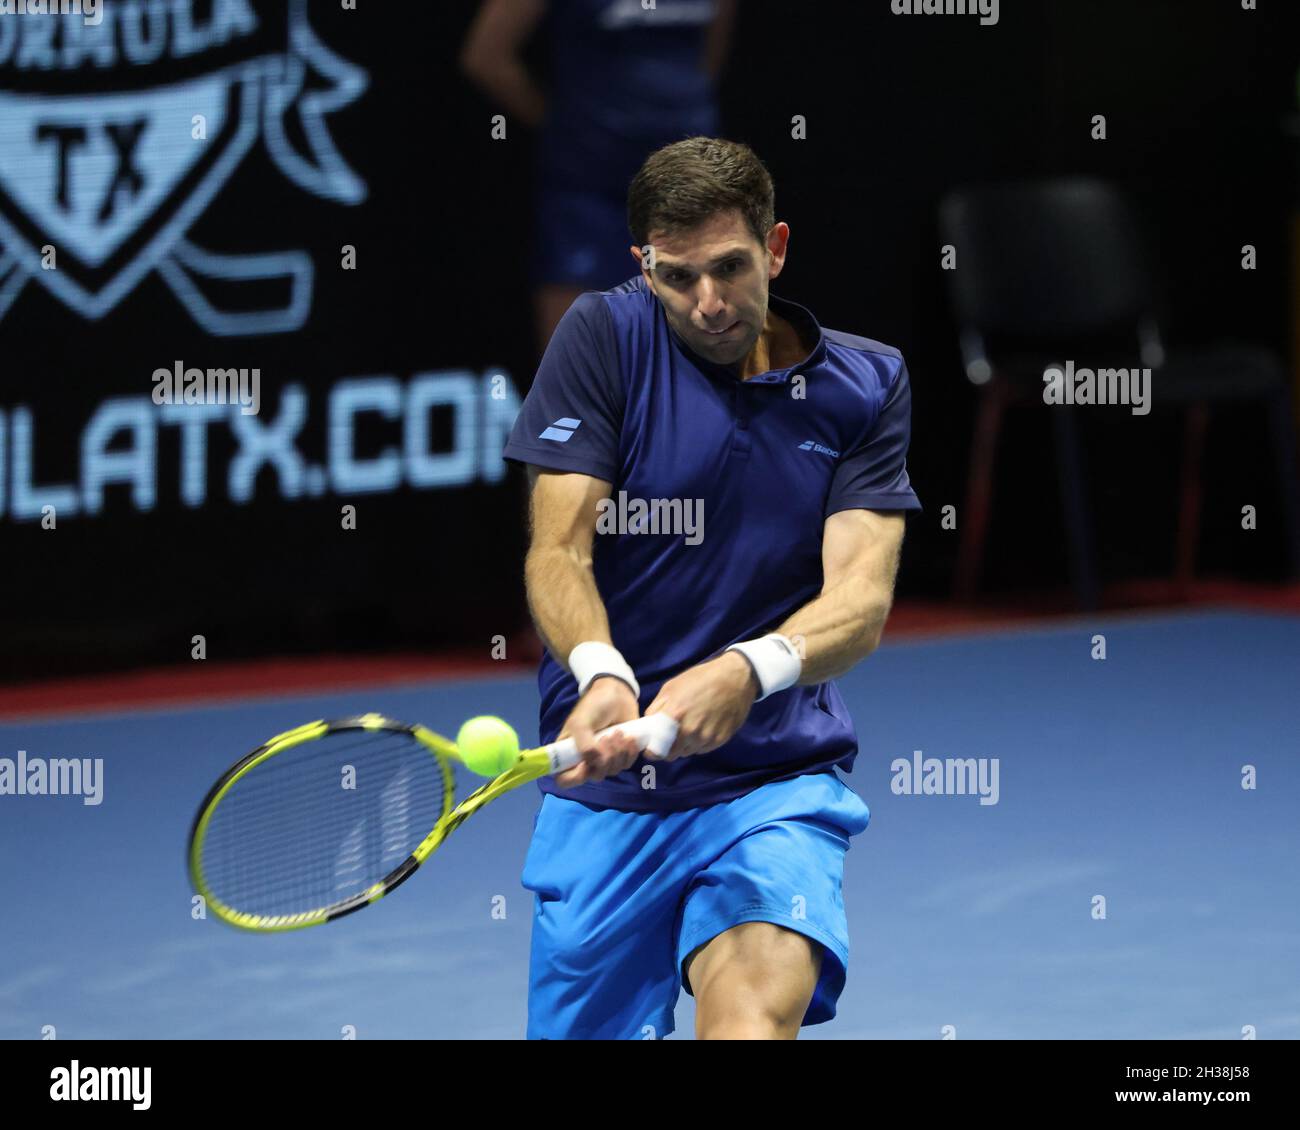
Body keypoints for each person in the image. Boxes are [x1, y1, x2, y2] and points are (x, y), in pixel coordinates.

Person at [502, 137, 921, 1039]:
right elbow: (558, 551)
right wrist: (600, 670)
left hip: (771, 784)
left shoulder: (864, 385)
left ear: (776, 248)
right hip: (611, 797)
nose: (709, 302)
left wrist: (748, 670)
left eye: (730, 267)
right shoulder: (603, 338)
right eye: (678, 276)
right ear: (643, 266)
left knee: (749, 1019)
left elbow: (860, 600)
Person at [460, 0, 735, 353]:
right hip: (588, 188)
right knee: (578, 366)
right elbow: (487, 56)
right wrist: (565, 124)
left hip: (691, 188)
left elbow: (710, 53)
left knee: (699, 361)